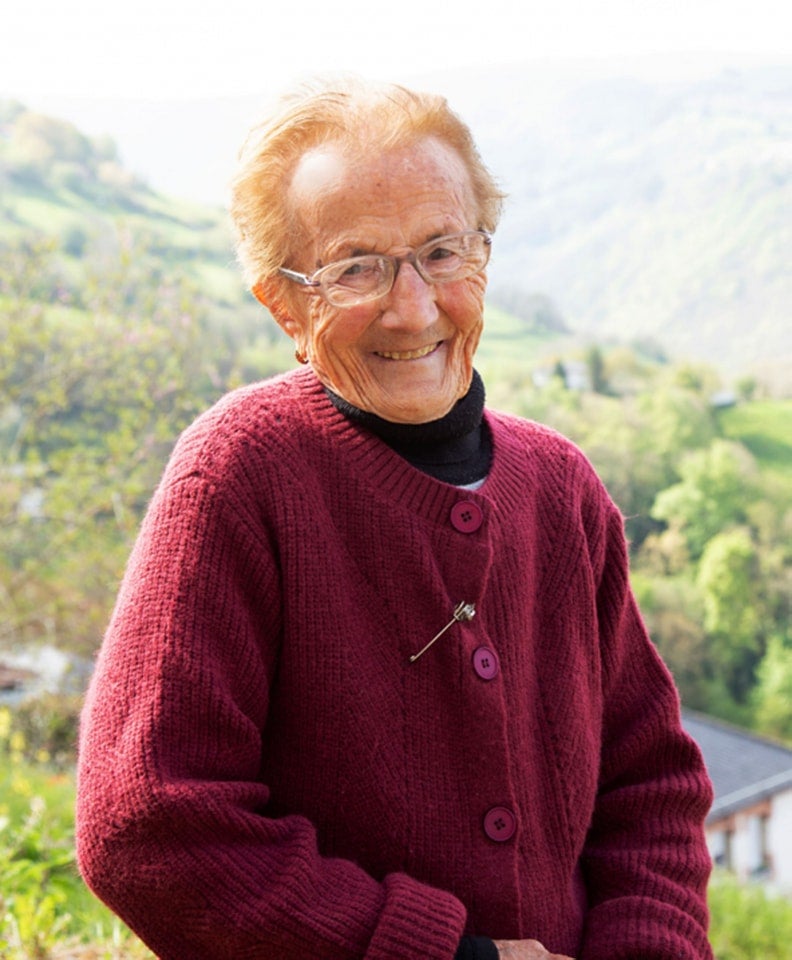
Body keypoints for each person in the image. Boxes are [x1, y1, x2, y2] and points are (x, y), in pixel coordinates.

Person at [76, 77, 714, 960]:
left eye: (442, 252)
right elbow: (147, 826)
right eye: (356, 268)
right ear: (285, 307)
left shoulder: (562, 489)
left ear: (483, 255)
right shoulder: (238, 475)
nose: (412, 306)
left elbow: (649, 787)